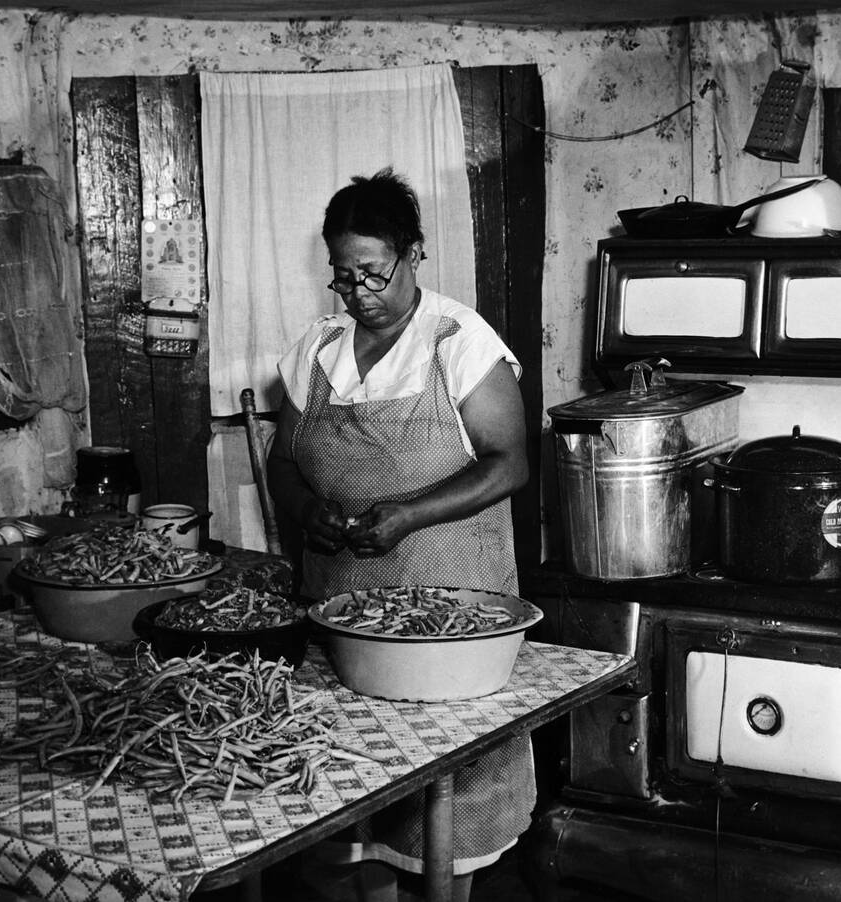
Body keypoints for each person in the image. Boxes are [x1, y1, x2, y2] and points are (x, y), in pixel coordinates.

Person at [266, 167, 533, 902]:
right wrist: (308, 511)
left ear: (413, 254)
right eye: (342, 276)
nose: (357, 293)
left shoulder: (459, 342)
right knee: (344, 815)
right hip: (341, 619)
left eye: (373, 274)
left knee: (440, 820)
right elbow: (282, 464)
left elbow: (509, 464)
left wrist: (407, 514)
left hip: (450, 626)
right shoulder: (318, 349)